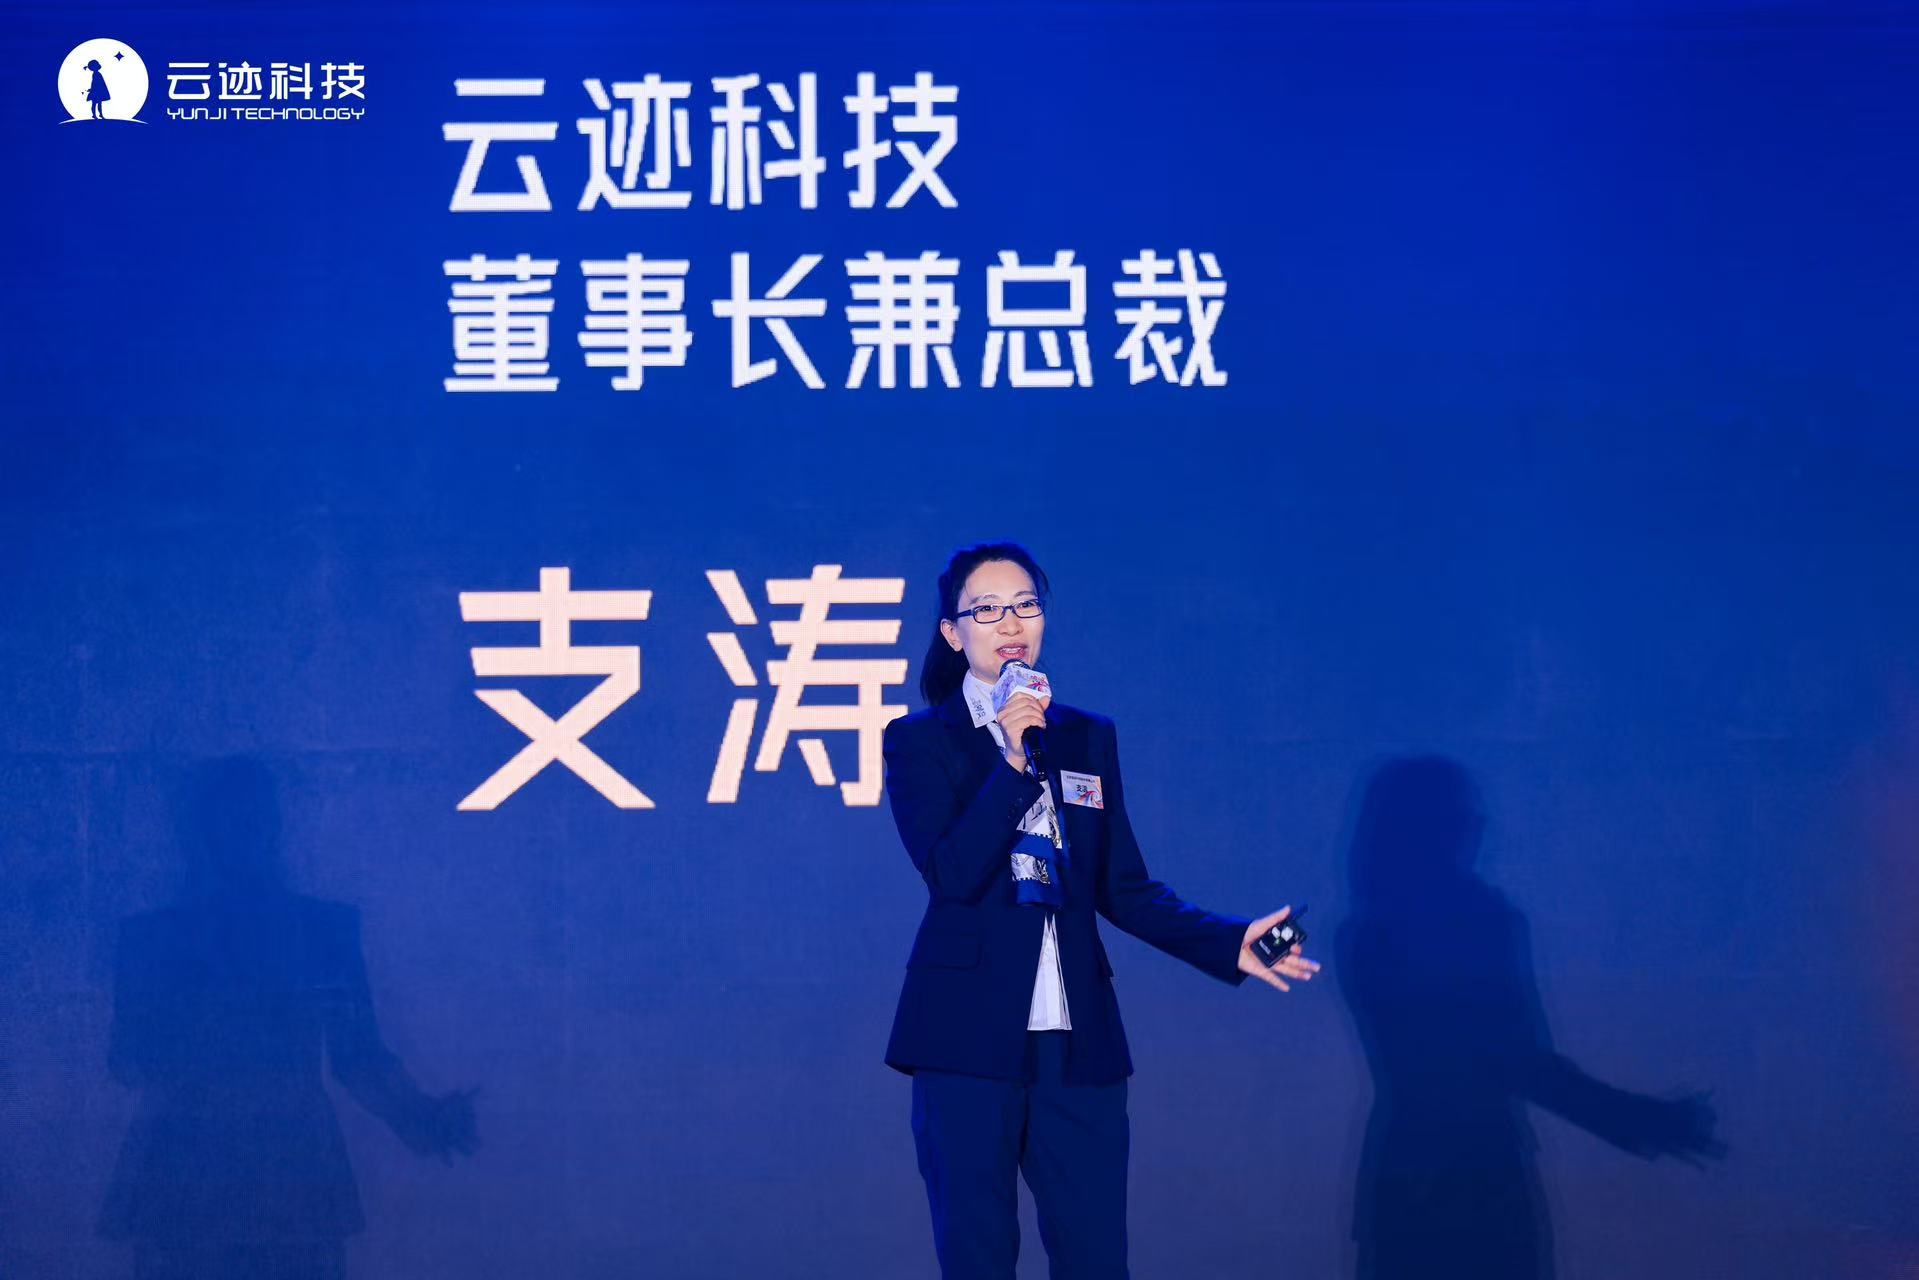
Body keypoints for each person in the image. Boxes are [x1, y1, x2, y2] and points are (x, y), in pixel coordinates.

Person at [881, 541, 1318, 1279]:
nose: (1010, 623)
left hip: (1076, 1044)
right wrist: (1013, 759)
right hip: (963, 1042)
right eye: (986, 610)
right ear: (952, 633)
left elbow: (1121, 885)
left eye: (1025, 604)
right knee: (976, 1258)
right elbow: (951, 873)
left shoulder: (1086, 736)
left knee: (1096, 1259)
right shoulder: (920, 741)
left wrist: (1226, 943)